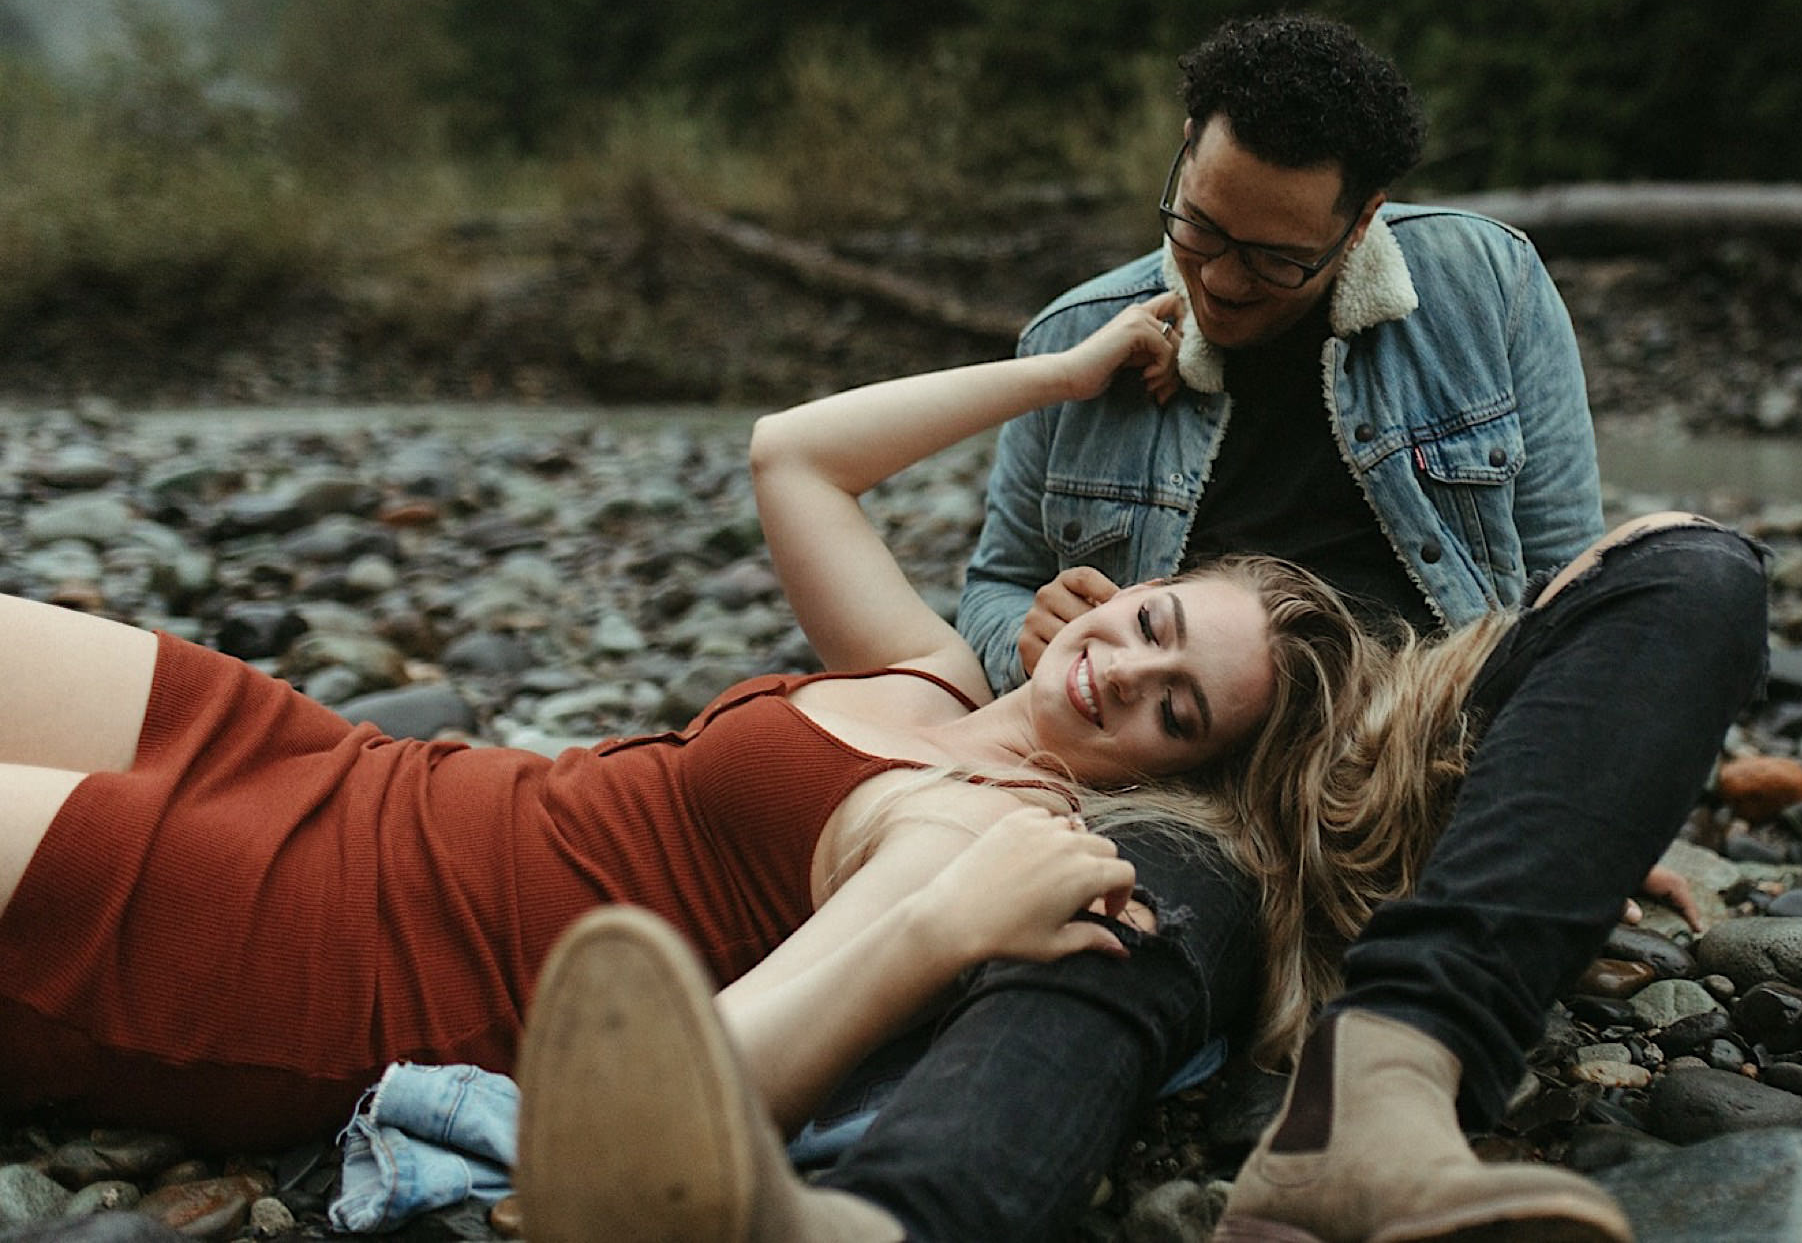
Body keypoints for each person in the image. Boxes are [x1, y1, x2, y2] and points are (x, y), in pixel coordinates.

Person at [510, 14, 1769, 1243]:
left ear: (1360, 223)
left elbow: (1560, 577)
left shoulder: (1482, 285)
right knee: (1111, 926)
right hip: (1181, 786)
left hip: (1410, 753)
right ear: (1181, 151)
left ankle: (1385, 1087)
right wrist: (1032, 630)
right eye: (1199, 228)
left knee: (1695, 568)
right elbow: (995, 583)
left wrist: (1572, 782)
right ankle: (885, 1218)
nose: (1220, 280)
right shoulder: (1083, 335)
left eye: (1274, 260)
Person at [0, 304, 1375, 1163]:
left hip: (337, 946)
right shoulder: (933, 671)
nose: (1122, 675)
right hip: (334, 769)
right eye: (1150, 626)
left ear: (1176, 771)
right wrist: (1060, 373)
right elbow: (793, 452)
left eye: (1176, 709)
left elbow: (688, 1075)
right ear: (1124, 590)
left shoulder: (979, 831)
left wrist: (945, 930)